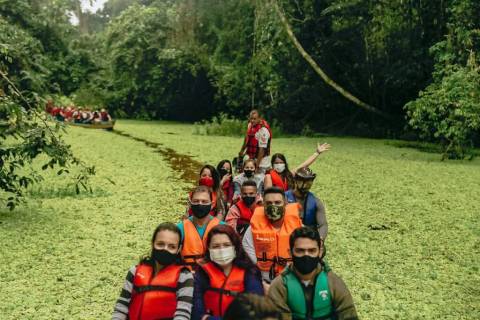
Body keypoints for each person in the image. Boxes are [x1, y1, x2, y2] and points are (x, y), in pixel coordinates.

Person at [268, 227, 358, 320]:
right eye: (300, 251)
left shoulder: (334, 283)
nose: (306, 255)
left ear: (320, 252)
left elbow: (349, 315)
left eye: (312, 251)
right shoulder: (279, 286)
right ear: (290, 253)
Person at [112, 222, 194, 320]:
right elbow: (121, 306)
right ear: (152, 243)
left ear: (178, 249)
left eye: (171, 247)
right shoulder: (135, 271)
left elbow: (183, 313)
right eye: (160, 244)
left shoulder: (184, 276)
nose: (165, 249)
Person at [193, 225, 264, 320]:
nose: (221, 250)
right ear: (209, 249)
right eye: (216, 246)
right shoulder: (202, 273)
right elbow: (197, 314)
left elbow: (255, 311)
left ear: (235, 247)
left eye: (226, 245)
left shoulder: (249, 272)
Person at [242, 187, 302, 283]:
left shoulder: (298, 228)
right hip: (263, 279)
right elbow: (248, 252)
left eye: (277, 203)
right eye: (269, 203)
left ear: (285, 204)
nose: (273, 206)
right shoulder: (252, 230)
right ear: (263, 205)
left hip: (291, 278)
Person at [179, 186, 225, 269]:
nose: (200, 204)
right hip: (189, 277)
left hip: (215, 274)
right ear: (190, 203)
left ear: (212, 204)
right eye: (196, 201)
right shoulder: (180, 228)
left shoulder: (223, 228)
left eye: (204, 201)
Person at [264, 143, 331, 191]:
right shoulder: (268, 176)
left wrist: (317, 153)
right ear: (272, 165)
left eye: (281, 162)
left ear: (285, 164)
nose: (279, 164)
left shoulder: (289, 174)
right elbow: (268, 193)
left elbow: (305, 164)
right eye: (276, 163)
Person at [285, 167, 328, 240]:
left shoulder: (316, 202)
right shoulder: (284, 198)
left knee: (322, 249)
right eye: (303, 181)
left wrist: (320, 240)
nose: (306, 185)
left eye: (309, 182)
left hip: (309, 238)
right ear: (295, 181)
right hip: (288, 236)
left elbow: (323, 225)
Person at [238, 110, 271, 174]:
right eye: (251, 118)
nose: (252, 120)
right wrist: (241, 151)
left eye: (254, 119)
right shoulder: (250, 125)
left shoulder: (263, 130)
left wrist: (256, 166)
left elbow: (262, 150)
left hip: (262, 162)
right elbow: (247, 138)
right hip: (252, 159)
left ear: (260, 118)